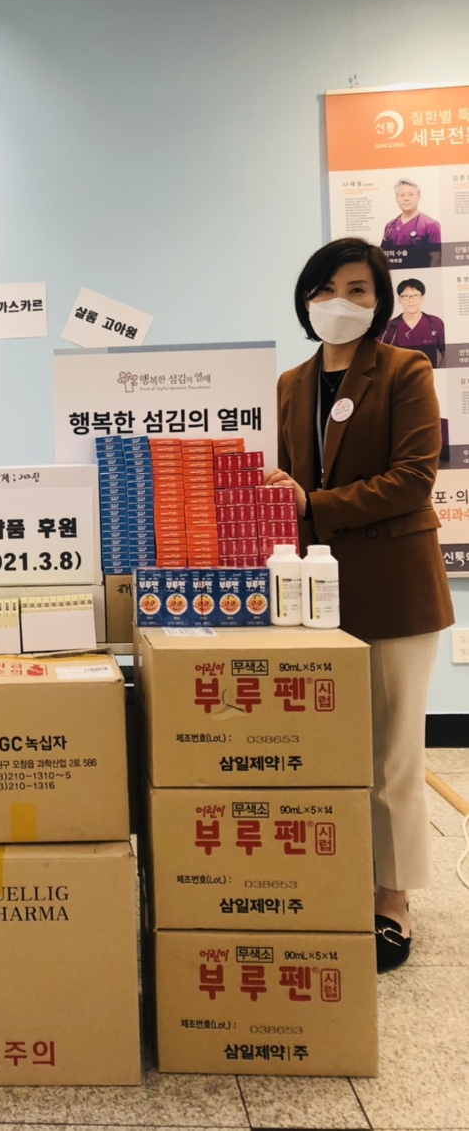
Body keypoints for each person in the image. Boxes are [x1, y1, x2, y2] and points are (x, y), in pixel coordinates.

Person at [265, 236, 453, 974]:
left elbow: (413, 478)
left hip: (393, 588)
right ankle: (341, 878)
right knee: (327, 751)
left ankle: (391, 898)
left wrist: (313, 504)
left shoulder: (405, 371)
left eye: (356, 290)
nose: (337, 303)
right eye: (323, 290)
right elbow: (289, 485)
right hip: (311, 593)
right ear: (305, 300)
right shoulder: (291, 383)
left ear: (378, 303)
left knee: (391, 754)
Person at [380, 278, 446, 368]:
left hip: (429, 375)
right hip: (399, 376)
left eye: (415, 295)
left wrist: (439, 373)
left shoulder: (435, 323)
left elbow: (447, 353)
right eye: (405, 296)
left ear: (422, 298)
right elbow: (379, 357)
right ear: (399, 299)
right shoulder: (389, 327)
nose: (411, 300)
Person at [380, 179, 441, 269]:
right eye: (402, 195)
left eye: (411, 194)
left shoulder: (431, 225)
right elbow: (383, 259)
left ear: (419, 196)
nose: (406, 199)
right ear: (396, 198)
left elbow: (436, 260)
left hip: (422, 276)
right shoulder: (389, 226)